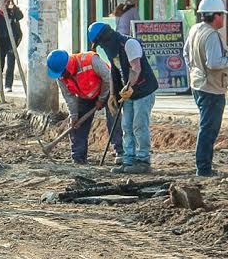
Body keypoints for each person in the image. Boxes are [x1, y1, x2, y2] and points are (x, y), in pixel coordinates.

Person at [88, 20, 157, 173]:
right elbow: (114, 71)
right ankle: (128, 159)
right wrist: (113, 95)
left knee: (139, 125)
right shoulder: (111, 50)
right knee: (126, 125)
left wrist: (129, 86)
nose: (102, 47)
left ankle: (143, 160)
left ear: (106, 37)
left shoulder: (130, 44)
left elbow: (136, 69)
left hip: (143, 90)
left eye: (101, 43)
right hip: (128, 93)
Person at [186, 0, 228, 177]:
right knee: (208, 129)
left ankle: (203, 166)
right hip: (211, 88)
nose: (223, 19)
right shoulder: (212, 35)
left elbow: (186, 54)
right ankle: (204, 168)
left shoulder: (195, 29)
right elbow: (214, 63)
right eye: (222, 15)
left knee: (206, 126)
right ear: (216, 15)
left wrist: (195, 70)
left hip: (198, 84)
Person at [47, 48, 121, 165]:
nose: (61, 76)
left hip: (109, 90)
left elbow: (108, 78)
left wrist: (102, 99)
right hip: (86, 96)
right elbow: (69, 97)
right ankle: (78, 157)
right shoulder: (61, 76)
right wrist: (74, 115)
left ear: (67, 66)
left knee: (114, 121)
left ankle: (121, 153)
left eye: (62, 73)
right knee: (77, 125)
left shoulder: (90, 60)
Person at [0, 0, 24, 92]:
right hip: (0, 43)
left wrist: (13, 4)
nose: (6, 4)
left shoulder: (11, 13)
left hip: (11, 42)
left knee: (11, 64)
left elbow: (20, 16)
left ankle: (8, 85)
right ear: (0, 2)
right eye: (4, 1)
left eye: (8, 2)